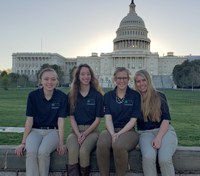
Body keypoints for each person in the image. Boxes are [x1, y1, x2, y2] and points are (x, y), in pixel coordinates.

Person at [15, 67, 68, 176]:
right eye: (46, 79)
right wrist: (23, 142)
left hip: (53, 132)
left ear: (57, 81)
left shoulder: (62, 97)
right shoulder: (33, 96)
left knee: (43, 152)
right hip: (35, 131)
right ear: (41, 80)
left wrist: (61, 143)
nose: (50, 82)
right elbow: (29, 120)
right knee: (32, 152)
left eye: (53, 79)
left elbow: (61, 121)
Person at [97, 67, 141, 176]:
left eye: (124, 78)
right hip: (110, 130)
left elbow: (133, 120)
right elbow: (108, 118)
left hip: (129, 131)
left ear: (128, 79)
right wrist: (113, 134)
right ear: (114, 79)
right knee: (102, 143)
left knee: (118, 145)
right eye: (118, 78)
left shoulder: (135, 96)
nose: (121, 81)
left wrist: (119, 134)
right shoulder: (108, 96)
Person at [134, 69, 178, 176]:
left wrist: (158, 137)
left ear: (148, 80)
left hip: (164, 131)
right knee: (148, 157)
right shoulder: (135, 99)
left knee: (164, 159)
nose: (141, 84)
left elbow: (166, 119)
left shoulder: (160, 96)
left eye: (143, 80)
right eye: (138, 81)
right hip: (145, 133)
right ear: (135, 84)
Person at [66, 64, 104, 176]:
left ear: (91, 77)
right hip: (75, 131)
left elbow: (98, 119)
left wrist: (85, 134)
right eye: (83, 74)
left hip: (92, 132)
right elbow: (71, 118)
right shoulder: (72, 95)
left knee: (83, 151)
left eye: (88, 74)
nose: (86, 76)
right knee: (73, 150)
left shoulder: (97, 96)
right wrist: (78, 134)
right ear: (78, 76)